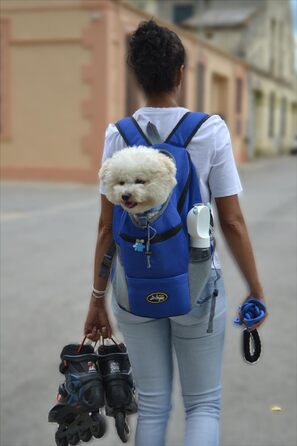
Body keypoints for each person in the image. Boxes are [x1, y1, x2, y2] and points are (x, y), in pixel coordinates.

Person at [83, 20, 267, 446]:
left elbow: (106, 226)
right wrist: (254, 288)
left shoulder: (118, 134)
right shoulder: (210, 130)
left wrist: (97, 299)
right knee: (203, 404)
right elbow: (233, 221)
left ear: (136, 75)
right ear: (181, 73)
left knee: (152, 403)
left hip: (133, 284)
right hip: (199, 283)